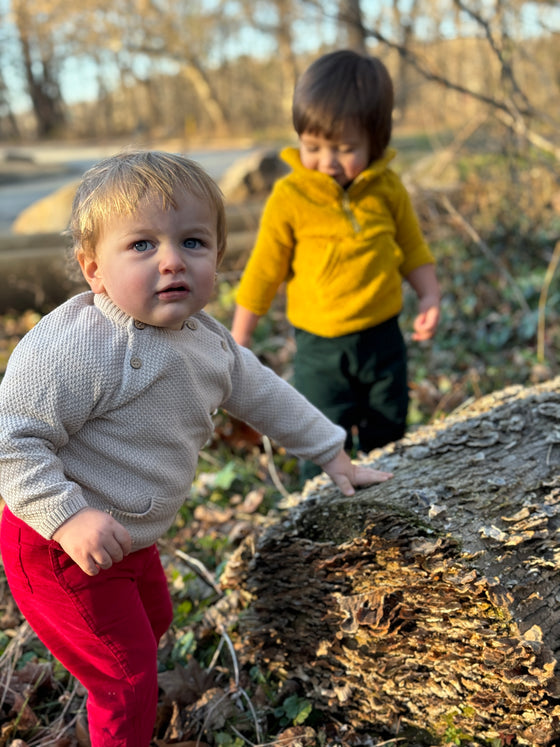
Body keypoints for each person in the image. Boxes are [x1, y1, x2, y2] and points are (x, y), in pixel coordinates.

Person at [0, 150, 392, 747]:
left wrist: (333, 454)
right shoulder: (76, 349)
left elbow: (268, 397)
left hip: (131, 536)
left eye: (192, 242)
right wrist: (68, 516)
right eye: (141, 246)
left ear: (217, 257)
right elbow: (12, 442)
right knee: (126, 676)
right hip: (56, 541)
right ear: (93, 270)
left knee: (155, 621)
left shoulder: (210, 344)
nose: (171, 261)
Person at [231, 50, 440, 480]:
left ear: (375, 141)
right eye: (313, 147)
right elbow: (263, 272)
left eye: (345, 149)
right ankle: (322, 506)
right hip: (320, 346)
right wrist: (240, 338)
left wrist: (430, 294)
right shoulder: (290, 198)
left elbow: (412, 248)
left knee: (389, 425)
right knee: (322, 433)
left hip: (383, 336)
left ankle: (389, 497)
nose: (327, 161)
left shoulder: (387, 188)